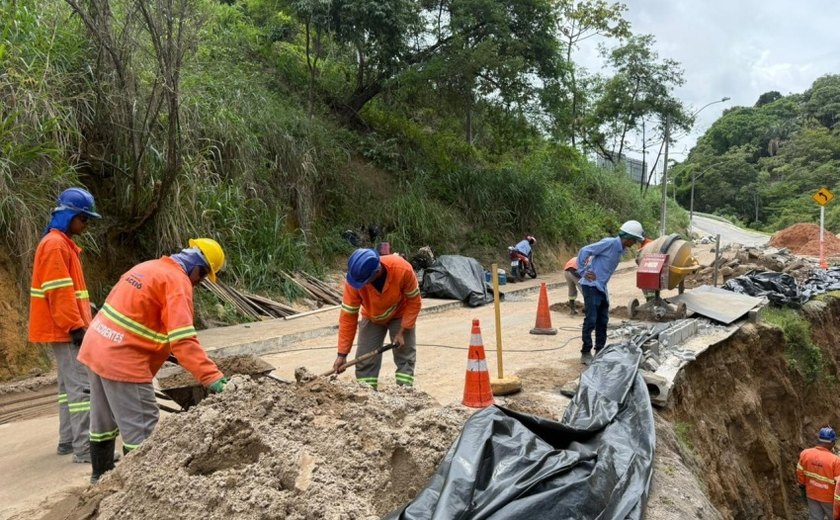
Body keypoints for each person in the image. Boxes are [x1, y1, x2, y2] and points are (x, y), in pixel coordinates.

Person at [78, 238, 228, 484]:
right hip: (123, 359)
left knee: (102, 418)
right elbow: (183, 341)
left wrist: (161, 347)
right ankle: (141, 490)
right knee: (142, 425)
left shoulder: (147, 268)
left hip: (97, 346)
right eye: (201, 279)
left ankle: (100, 479)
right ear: (197, 269)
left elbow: (139, 317)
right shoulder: (178, 283)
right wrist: (213, 378)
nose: (198, 284)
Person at [28, 187, 102, 464]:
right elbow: (59, 291)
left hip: (62, 327)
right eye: (84, 219)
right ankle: (86, 450)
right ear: (69, 216)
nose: (86, 225)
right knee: (82, 389)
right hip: (65, 329)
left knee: (67, 388)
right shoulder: (55, 245)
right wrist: (76, 328)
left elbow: (69, 291)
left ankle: (68, 440)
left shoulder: (61, 244)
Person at [332, 248, 422, 390]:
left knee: (404, 354)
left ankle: (405, 391)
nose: (361, 285)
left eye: (364, 281)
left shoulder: (402, 269)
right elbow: (348, 317)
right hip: (372, 316)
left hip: (400, 313)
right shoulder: (354, 281)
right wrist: (342, 354)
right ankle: (367, 394)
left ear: (377, 271)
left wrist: (402, 331)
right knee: (365, 358)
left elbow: (414, 301)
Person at [576, 220, 645, 365]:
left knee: (603, 320)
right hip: (590, 285)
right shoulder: (609, 243)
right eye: (634, 240)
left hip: (601, 286)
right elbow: (584, 251)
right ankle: (586, 352)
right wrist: (582, 271)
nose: (634, 244)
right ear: (627, 237)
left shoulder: (621, 249)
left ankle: (600, 351)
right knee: (591, 319)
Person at [797, 427, 840, 519]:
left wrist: (803, 487)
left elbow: (800, 474)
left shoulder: (805, 454)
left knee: (815, 517)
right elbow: (839, 484)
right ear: (831, 442)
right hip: (829, 498)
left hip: (811, 494)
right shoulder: (835, 460)